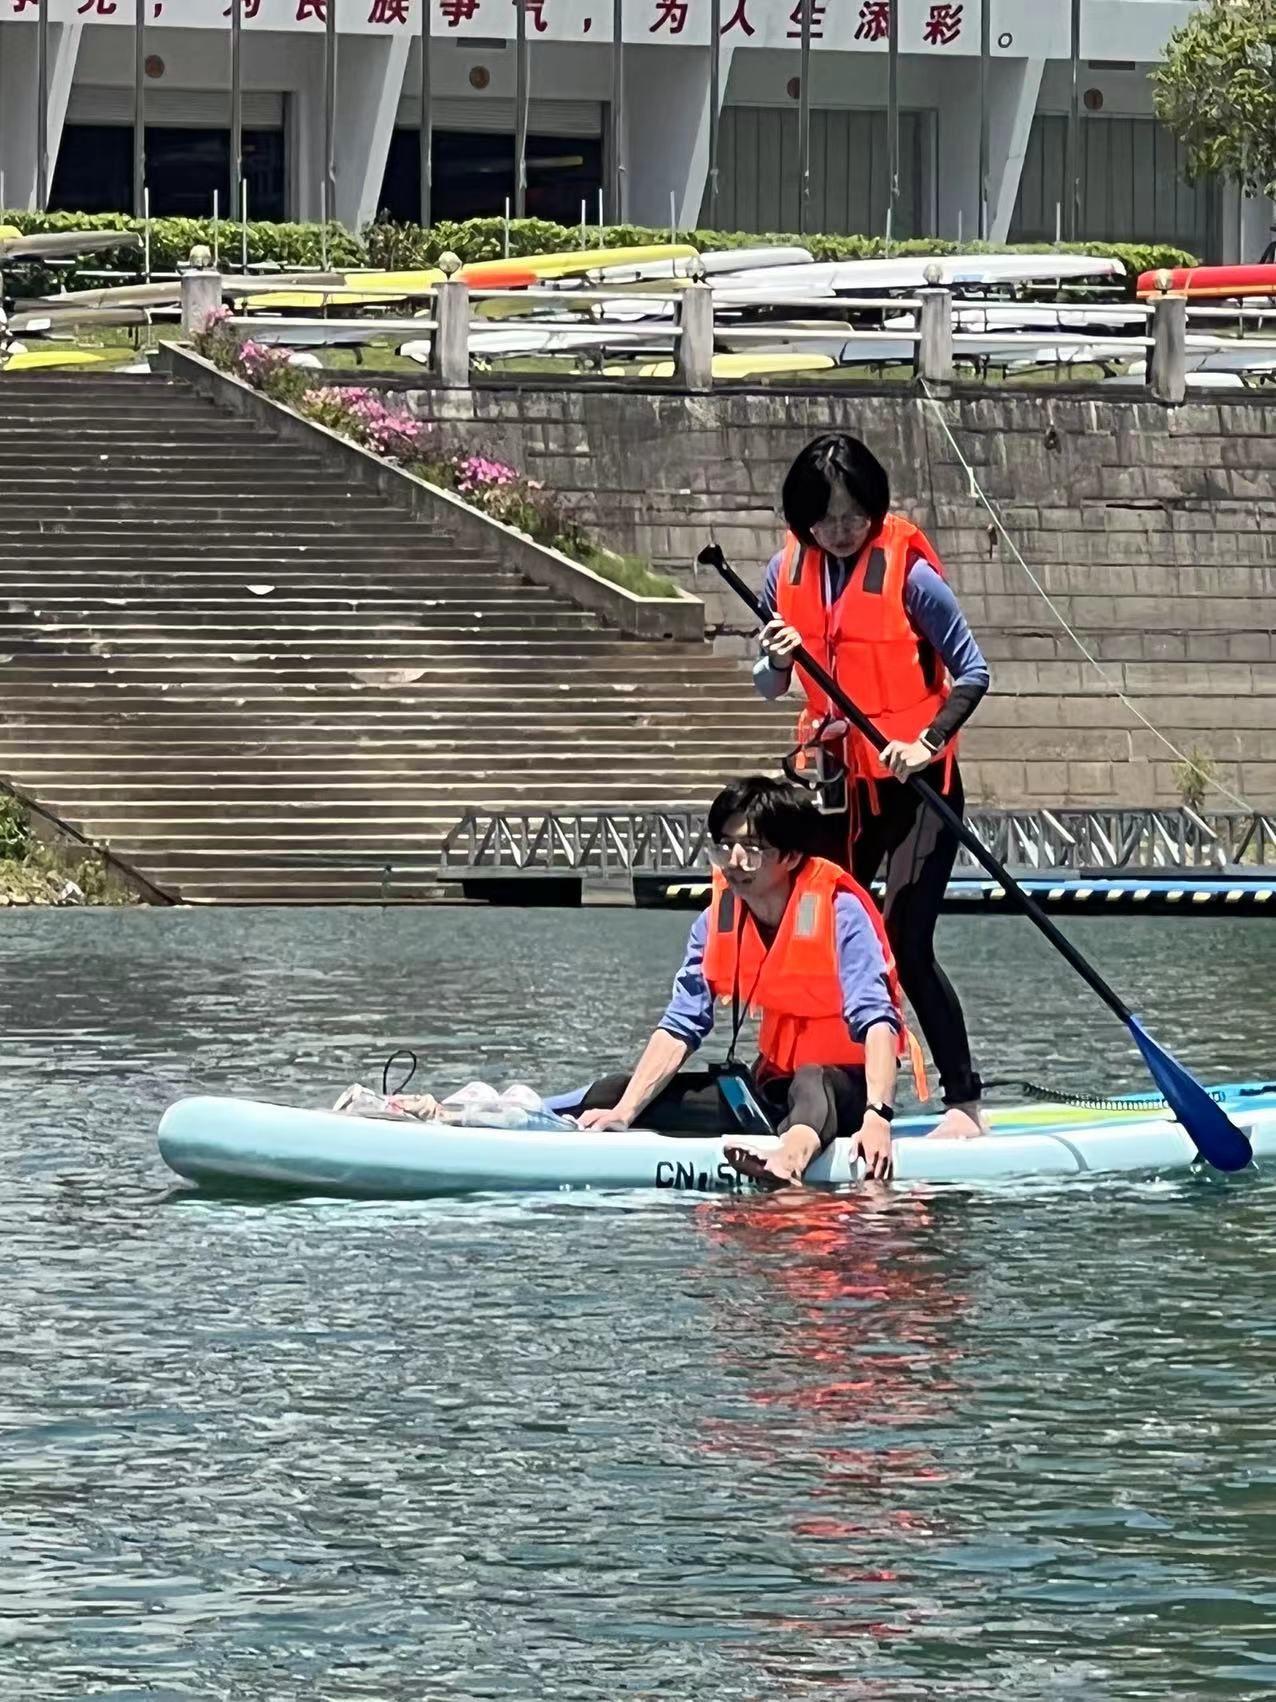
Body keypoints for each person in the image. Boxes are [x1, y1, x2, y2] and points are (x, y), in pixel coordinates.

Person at [753, 432, 990, 1139]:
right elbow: (767, 687)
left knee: (905, 942)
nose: (841, 531)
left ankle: (964, 1101)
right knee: (828, 944)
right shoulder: (783, 573)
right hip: (839, 788)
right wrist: (771, 657)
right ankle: (829, 1097)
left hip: (919, 787)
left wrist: (925, 743)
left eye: (855, 516)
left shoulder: (911, 578)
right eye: (825, 519)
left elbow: (973, 672)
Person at [564, 775, 915, 1187]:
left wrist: (878, 1117)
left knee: (813, 1079)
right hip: (770, 1090)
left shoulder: (842, 913)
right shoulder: (715, 922)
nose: (733, 861)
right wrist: (624, 1111)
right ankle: (528, 1113)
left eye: (750, 849)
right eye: (723, 846)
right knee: (614, 1092)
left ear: (789, 855)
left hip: (848, 1091)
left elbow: (876, 1019)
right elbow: (681, 1023)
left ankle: (789, 1161)